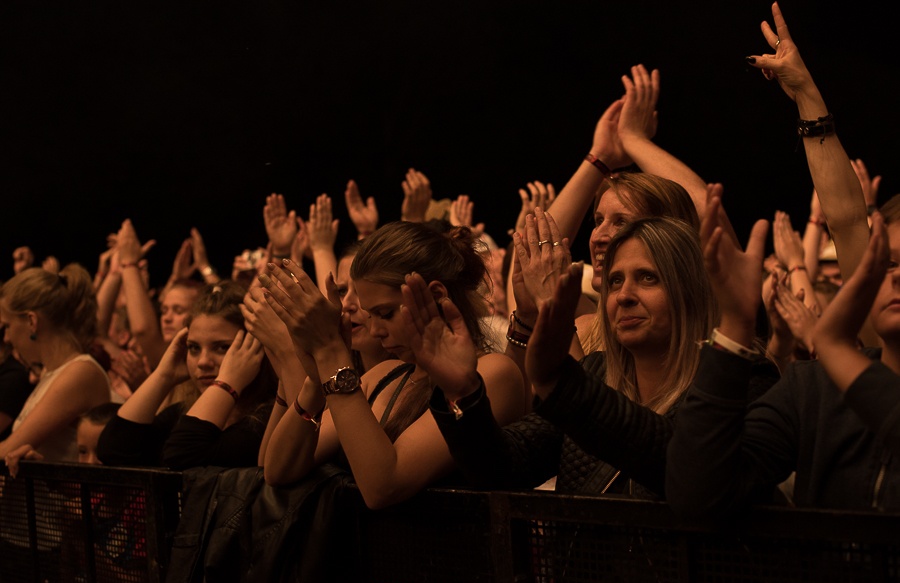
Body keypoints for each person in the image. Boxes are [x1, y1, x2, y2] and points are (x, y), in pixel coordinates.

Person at [665, 1, 895, 519]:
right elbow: (698, 496)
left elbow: (849, 223)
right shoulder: (813, 390)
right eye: (891, 263)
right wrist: (731, 330)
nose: (897, 279)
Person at [422, 215, 716, 497]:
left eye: (648, 278)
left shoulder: (725, 387)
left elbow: (683, 466)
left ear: (689, 290)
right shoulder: (597, 370)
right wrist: (465, 393)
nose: (624, 295)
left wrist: (561, 381)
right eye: (615, 281)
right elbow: (500, 468)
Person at [258, 220, 527, 509]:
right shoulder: (384, 375)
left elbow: (383, 487)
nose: (375, 331)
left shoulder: (493, 373)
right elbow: (277, 470)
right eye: (370, 316)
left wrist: (330, 352)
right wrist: (315, 379)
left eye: (385, 313)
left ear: (435, 296)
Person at [96, 281, 277, 469]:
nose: (203, 361)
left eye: (222, 347)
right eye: (194, 348)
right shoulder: (181, 412)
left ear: (255, 349)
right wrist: (164, 375)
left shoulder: (265, 420)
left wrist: (228, 382)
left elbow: (181, 456)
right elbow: (113, 450)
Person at [0, 264, 112, 469]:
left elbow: (7, 450)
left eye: (7, 326)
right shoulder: (51, 372)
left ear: (32, 321)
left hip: (63, 501)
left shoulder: (80, 372)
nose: (6, 338)